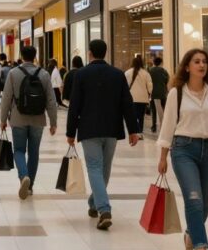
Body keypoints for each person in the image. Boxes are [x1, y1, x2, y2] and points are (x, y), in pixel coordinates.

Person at [156, 48, 208, 250]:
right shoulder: (176, 93)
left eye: (204, 61)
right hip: (184, 150)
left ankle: (190, 235)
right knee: (194, 199)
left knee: (206, 203)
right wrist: (163, 157)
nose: (202, 65)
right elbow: (167, 127)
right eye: (196, 62)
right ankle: (201, 246)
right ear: (187, 67)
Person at [66, 40, 140, 230]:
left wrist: (70, 132)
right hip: (111, 129)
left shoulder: (81, 74)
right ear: (105, 53)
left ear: (89, 53)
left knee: (95, 168)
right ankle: (98, 205)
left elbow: (75, 105)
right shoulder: (117, 74)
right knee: (104, 169)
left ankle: (101, 207)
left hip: (89, 129)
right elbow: (127, 103)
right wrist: (133, 129)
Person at [0, 45, 57, 200]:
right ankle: (30, 186)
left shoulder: (13, 73)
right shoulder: (44, 74)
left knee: (18, 150)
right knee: (34, 152)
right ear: (35, 56)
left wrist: (3, 119)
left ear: (22, 56)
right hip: (38, 119)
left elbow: (6, 98)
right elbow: (51, 100)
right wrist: (53, 122)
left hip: (18, 119)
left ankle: (24, 176)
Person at [124, 55, 154, 136]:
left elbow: (124, 86)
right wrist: (149, 93)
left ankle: (133, 132)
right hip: (142, 99)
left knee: (132, 115)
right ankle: (140, 131)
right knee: (141, 116)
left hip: (131, 98)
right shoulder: (146, 73)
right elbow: (150, 86)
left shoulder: (127, 72)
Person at [149, 56, 170, 133]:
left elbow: (148, 82)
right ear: (161, 63)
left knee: (154, 110)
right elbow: (167, 79)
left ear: (154, 63)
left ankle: (154, 126)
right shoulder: (164, 71)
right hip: (162, 92)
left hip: (153, 93)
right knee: (164, 109)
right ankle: (164, 125)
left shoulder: (150, 71)